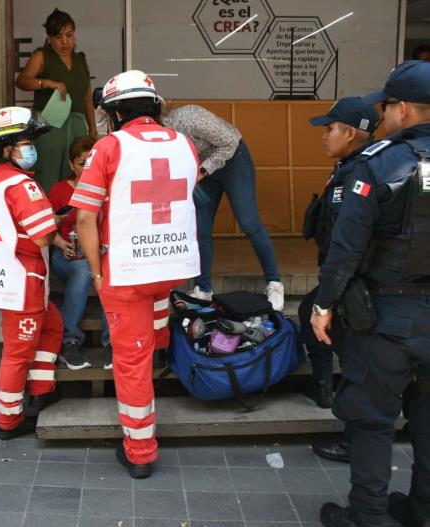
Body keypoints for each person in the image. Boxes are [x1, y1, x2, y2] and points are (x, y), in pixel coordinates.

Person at [310, 60, 430, 527]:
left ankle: (367, 519)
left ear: (401, 109)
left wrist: (323, 305)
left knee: (373, 420)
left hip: (387, 318)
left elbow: (347, 247)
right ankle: (423, 516)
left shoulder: (378, 164)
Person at [71, 70, 200, 478]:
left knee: (132, 361)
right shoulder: (185, 144)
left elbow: (85, 218)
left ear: (114, 112)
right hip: (173, 266)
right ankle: (157, 335)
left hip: (128, 272)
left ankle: (140, 451)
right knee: (153, 324)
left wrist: (95, 272)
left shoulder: (109, 147)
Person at [0, 106, 64, 440]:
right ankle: (8, 421)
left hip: (4, 280)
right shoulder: (21, 185)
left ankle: (41, 390)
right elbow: (41, 235)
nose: (31, 148)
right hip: (23, 281)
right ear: (6, 148)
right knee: (17, 354)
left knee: (52, 326)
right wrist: (55, 218)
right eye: (25, 142)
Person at [163, 105, 284, 310]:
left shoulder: (189, 117)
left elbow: (230, 141)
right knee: (200, 229)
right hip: (202, 170)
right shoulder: (152, 140)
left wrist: (204, 170)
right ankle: (203, 289)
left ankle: (274, 283)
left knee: (249, 222)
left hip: (232, 160)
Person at [300, 97, 378, 412]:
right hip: (340, 276)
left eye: (329, 128)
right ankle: (325, 389)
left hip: (351, 280)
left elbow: (349, 239)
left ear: (348, 134)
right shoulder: (346, 167)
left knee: (349, 348)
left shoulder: (362, 171)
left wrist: (328, 298)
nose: (324, 134)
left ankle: (344, 412)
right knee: (312, 316)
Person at [16, 8, 98, 191]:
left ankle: (75, 215)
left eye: (69, 35)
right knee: (48, 173)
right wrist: (46, 82)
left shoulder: (81, 59)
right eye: (58, 36)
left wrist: (92, 129)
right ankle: (48, 215)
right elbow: (21, 81)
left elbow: (87, 98)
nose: (65, 42)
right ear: (49, 37)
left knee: (79, 173)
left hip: (77, 124)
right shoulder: (41, 56)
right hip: (48, 124)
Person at [48, 135, 111, 370]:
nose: (85, 168)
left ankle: (112, 343)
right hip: (67, 254)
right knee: (84, 270)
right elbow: (44, 227)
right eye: (80, 163)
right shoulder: (60, 190)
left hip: (101, 253)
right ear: (71, 164)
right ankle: (70, 340)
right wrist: (62, 244)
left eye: (90, 162)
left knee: (106, 272)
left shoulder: (108, 189)